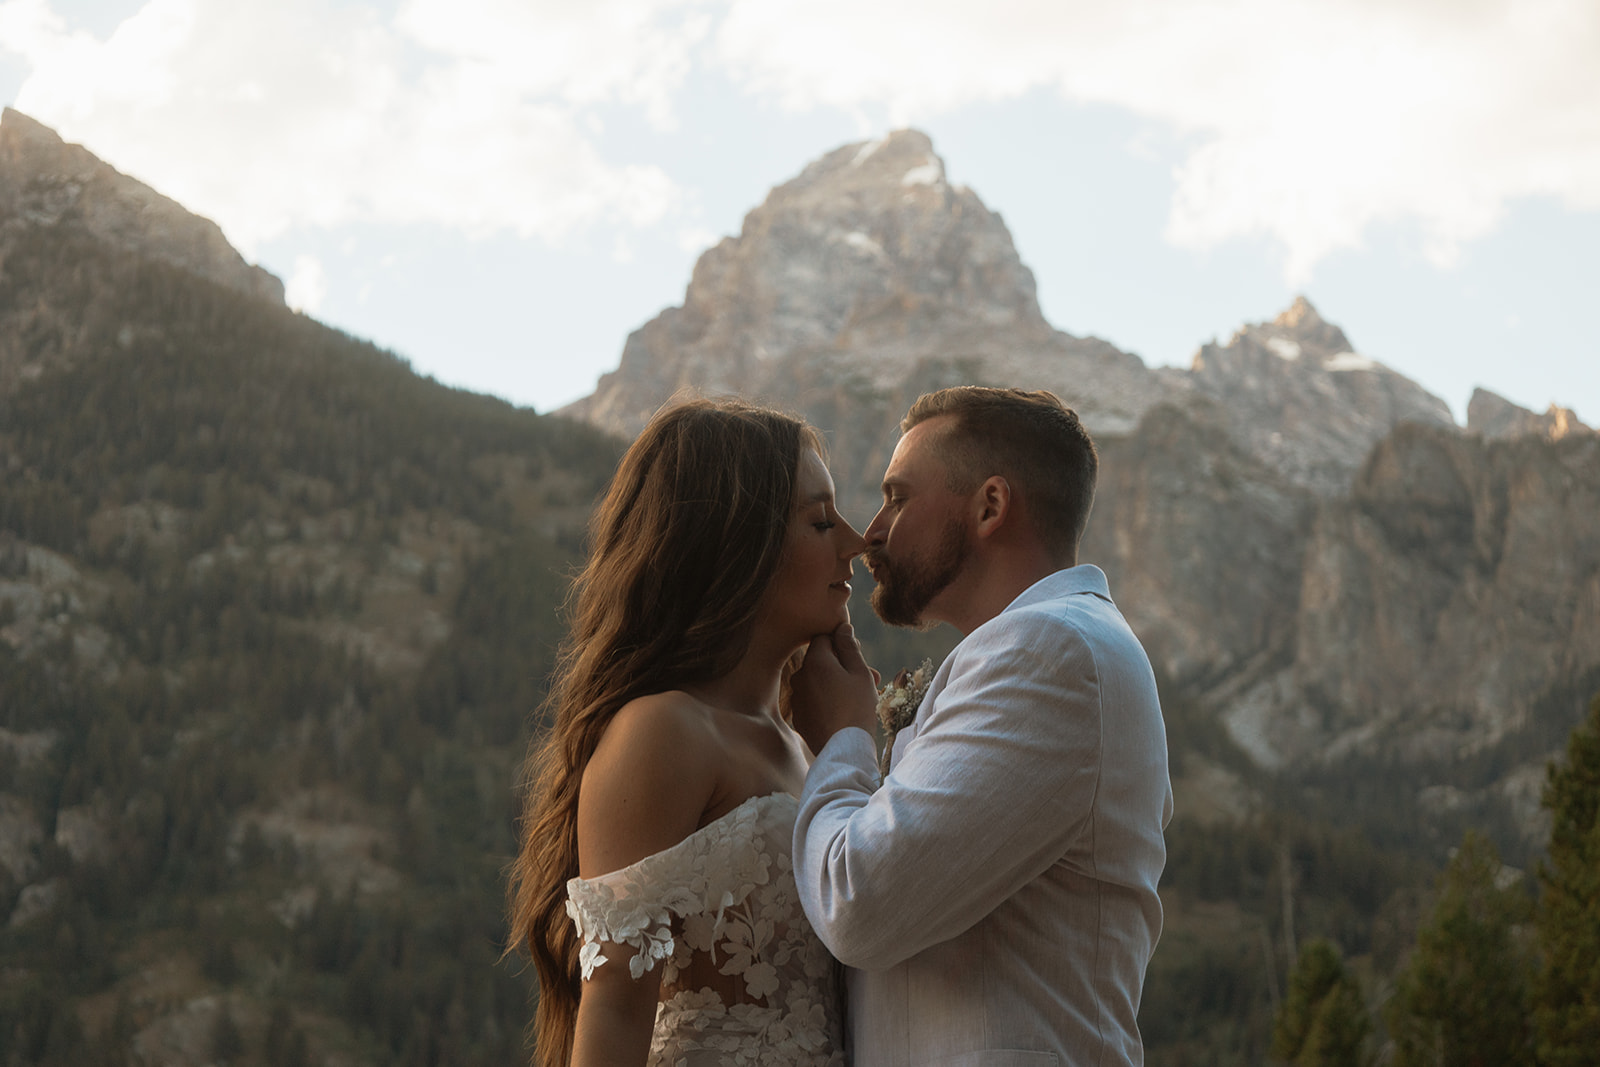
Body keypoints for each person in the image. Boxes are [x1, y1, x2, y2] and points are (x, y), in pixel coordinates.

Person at [788, 386, 1174, 1066]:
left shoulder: (1051, 652)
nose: (872, 531)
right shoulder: (1042, 646)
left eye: (899, 497)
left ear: (990, 506)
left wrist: (842, 737)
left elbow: (860, 902)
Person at [507, 398, 864, 1067]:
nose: (855, 540)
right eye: (821, 520)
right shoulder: (663, 731)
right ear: (736, 544)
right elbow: (613, 1004)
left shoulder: (805, 743)